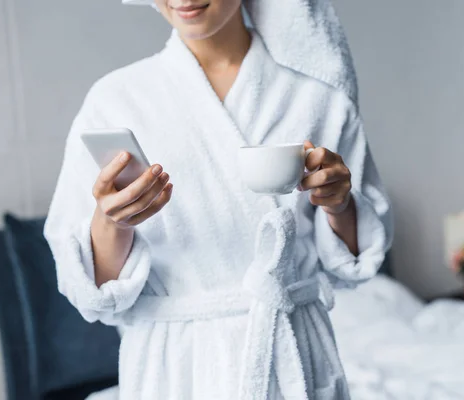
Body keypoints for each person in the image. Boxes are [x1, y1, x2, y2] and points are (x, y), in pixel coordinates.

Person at [44, 0, 393, 399]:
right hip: (175, 367)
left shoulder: (319, 98)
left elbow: (355, 264)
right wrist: (113, 223)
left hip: (293, 351)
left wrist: (339, 204)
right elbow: (94, 292)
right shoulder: (114, 100)